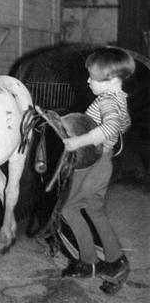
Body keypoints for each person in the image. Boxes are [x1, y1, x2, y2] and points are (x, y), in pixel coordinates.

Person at [61, 47, 135, 294]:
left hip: (94, 163)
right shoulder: (120, 98)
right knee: (93, 208)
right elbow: (124, 124)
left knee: (68, 207)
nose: (88, 80)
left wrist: (78, 142)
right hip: (104, 162)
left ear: (112, 80)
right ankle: (115, 261)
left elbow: (112, 125)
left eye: (93, 77)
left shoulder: (107, 100)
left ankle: (89, 262)